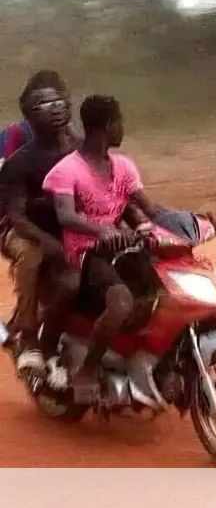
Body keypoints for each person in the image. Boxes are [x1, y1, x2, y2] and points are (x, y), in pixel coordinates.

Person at [43, 95, 166, 402]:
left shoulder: (123, 166)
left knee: (167, 291)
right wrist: (103, 231)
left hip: (123, 250)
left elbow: (150, 208)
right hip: (87, 254)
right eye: (119, 121)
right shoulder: (67, 170)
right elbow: (66, 215)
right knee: (121, 303)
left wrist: (194, 221)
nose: (122, 128)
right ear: (107, 126)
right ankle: (87, 370)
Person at [0, 71, 80, 378]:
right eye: (44, 104)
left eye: (58, 101)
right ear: (30, 113)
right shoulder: (16, 147)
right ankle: (30, 336)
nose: (54, 109)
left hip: (62, 223)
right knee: (32, 254)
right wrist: (50, 242)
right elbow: (15, 212)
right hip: (17, 225)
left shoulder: (82, 146)